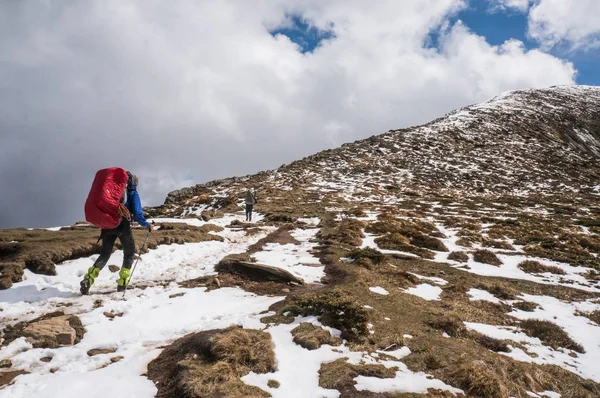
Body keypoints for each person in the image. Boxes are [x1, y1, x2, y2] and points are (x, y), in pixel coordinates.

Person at [80, 172, 153, 294]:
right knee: (129, 253)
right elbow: (138, 214)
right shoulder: (132, 193)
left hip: (108, 225)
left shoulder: (114, 194)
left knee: (105, 254)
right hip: (123, 226)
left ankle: (88, 279)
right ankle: (122, 283)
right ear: (132, 183)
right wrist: (147, 225)